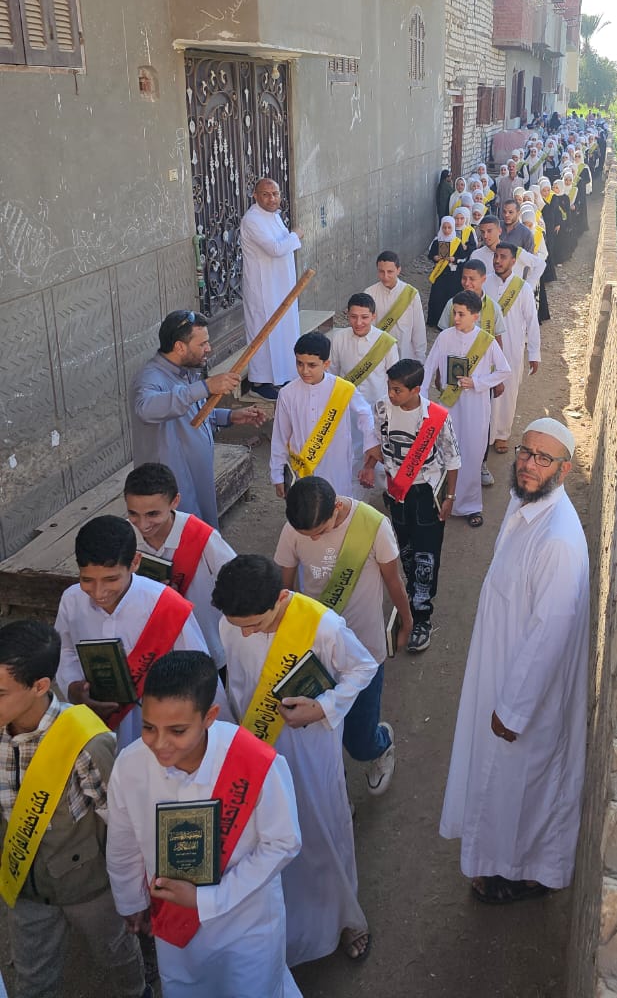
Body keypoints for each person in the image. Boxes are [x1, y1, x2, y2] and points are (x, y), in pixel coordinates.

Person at [440, 419, 589, 904]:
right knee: (499, 781)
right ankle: (497, 863)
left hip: (523, 694)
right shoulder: (525, 501)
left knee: (517, 785)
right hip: (500, 666)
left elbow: (550, 634)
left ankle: (521, 875)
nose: (529, 465)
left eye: (544, 459)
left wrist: (515, 708)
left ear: (564, 470)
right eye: (526, 453)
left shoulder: (560, 542)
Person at [106, 651, 302, 997]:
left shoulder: (255, 762)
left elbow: (283, 843)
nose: (159, 743)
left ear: (209, 716)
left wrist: (210, 898)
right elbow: (123, 840)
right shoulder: (130, 764)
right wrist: (130, 900)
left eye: (177, 731)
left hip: (246, 922)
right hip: (175, 923)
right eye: (149, 727)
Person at [212, 556, 376, 966]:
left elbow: (363, 667)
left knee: (322, 826)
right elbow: (237, 683)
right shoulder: (231, 623)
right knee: (272, 838)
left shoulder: (322, 625)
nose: (245, 632)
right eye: (238, 625)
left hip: (309, 746)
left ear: (283, 598)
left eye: (255, 623)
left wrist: (322, 708)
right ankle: (291, 929)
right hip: (257, 747)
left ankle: (345, 916)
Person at [0, 620, 147, 998]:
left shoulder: (87, 742)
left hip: (90, 890)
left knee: (117, 956)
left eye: (0, 692)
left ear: (40, 686)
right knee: (33, 975)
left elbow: (121, 823)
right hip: (25, 887)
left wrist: (132, 892)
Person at [274, 477, 411, 786]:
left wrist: (406, 620)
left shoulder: (373, 526)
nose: (313, 539)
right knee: (322, 736)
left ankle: (381, 744)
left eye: (320, 532)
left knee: (359, 741)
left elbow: (394, 581)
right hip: (317, 649)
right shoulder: (293, 530)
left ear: (336, 506)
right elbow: (286, 586)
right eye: (306, 535)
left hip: (364, 650)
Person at [56, 515, 221, 751]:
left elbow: (198, 673)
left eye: (111, 579)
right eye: (87, 580)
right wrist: (72, 687)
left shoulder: (165, 606)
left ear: (135, 562)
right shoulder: (72, 601)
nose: (99, 592)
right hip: (97, 727)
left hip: (161, 730)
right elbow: (65, 650)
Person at [129, 311, 266, 529]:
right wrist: (205, 387)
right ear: (179, 347)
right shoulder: (150, 378)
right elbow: (146, 409)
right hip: (171, 488)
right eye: (202, 344)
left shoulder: (186, 373)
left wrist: (229, 416)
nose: (209, 349)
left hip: (197, 479)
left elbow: (191, 416)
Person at [372, 359, 462, 653]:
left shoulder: (435, 417)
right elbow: (380, 443)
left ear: (415, 389)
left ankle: (422, 616)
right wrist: (369, 464)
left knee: (427, 555)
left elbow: (452, 459)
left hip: (426, 493)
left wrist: (450, 498)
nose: (391, 394)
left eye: (397, 390)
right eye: (389, 388)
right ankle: (410, 599)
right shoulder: (382, 408)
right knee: (406, 550)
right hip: (397, 494)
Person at [124, 462, 235, 669]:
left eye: (152, 514)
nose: (142, 524)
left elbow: (238, 578)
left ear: (175, 501)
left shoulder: (202, 537)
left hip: (206, 645)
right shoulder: (124, 538)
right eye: (133, 514)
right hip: (151, 654)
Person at [421, 291, 509, 528]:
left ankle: (470, 505)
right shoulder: (445, 337)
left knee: (471, 452)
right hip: (449, 404)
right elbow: (429, 367)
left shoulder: (486, 341)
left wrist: (478, 383)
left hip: (476, 406)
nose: (456, 318)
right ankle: (442, 501)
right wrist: (420, 400)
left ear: (475, 316)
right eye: (454, 313)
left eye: (461, 314)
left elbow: (504, 370)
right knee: (445, 450)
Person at [270, 332, 380, 502]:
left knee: (338, 509)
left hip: (336, 465)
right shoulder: (287, 393)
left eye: (312, 365)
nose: (304, 370)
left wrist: (370, 443)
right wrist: (277, 474)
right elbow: (280, 435)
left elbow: (365, 413)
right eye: (300, 364)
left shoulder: (343, 389)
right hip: (303, 468)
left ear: (326, 364)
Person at [239, 177, 302, 400]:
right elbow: (275, 248)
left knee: (283, 330)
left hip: (280, 285)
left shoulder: (274, 217)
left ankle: (283, 376)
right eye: (266, 194)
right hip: (263, 288)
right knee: (263, 331)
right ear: (255, 196)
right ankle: (260, 382)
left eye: (275, 194)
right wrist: (296, 235)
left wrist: (292, 236)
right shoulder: (252, 220)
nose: (272, 198)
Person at [487, 245, 541, 453]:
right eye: (495, 256)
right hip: (485, 345)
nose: (498, 260)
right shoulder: (485, 283)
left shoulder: (523, 288)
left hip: (512, 347)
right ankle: (486, 432)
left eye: (503, 257)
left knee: (508, 392)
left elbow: (532, 322)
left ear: (513, 261)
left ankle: (502, 434)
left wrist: (534, 354)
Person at [329, 292, 398, 411]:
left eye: (364, 317)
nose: (358, 322)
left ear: (373, 316)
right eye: (353, 316)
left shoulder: (386, 342)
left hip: (377, 407)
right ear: (347, 314)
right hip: (346, 406)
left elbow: (395, 379)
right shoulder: (339, 338)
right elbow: (332, 372)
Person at [365, 250, 427, 364]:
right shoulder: (369, 293)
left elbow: (418, 329)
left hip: (405, 355)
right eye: (381, 272)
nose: (385, 276)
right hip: (379, 356)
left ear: (398, 270)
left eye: (390, 272)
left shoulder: (411, 294)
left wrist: (420, 358)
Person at [437, 260, 505, 341]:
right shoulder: (451, 304)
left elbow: (497, 340)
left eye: (472, 279)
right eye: (464, 278)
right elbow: (443, 335)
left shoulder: (493, 308)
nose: (466, 283)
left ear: (483, 279)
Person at [426, 216, 469, 328]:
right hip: (439, 274)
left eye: (449, 227)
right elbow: (430, 255)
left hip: (452, 275)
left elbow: (463, 258)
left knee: (450, 297)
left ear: (453, 228)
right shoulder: (437, 241)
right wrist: (435, 257)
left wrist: (454, 259)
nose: (446, 230)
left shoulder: (456, 242)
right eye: (444, 227)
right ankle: (434, 321)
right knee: (437, 297)